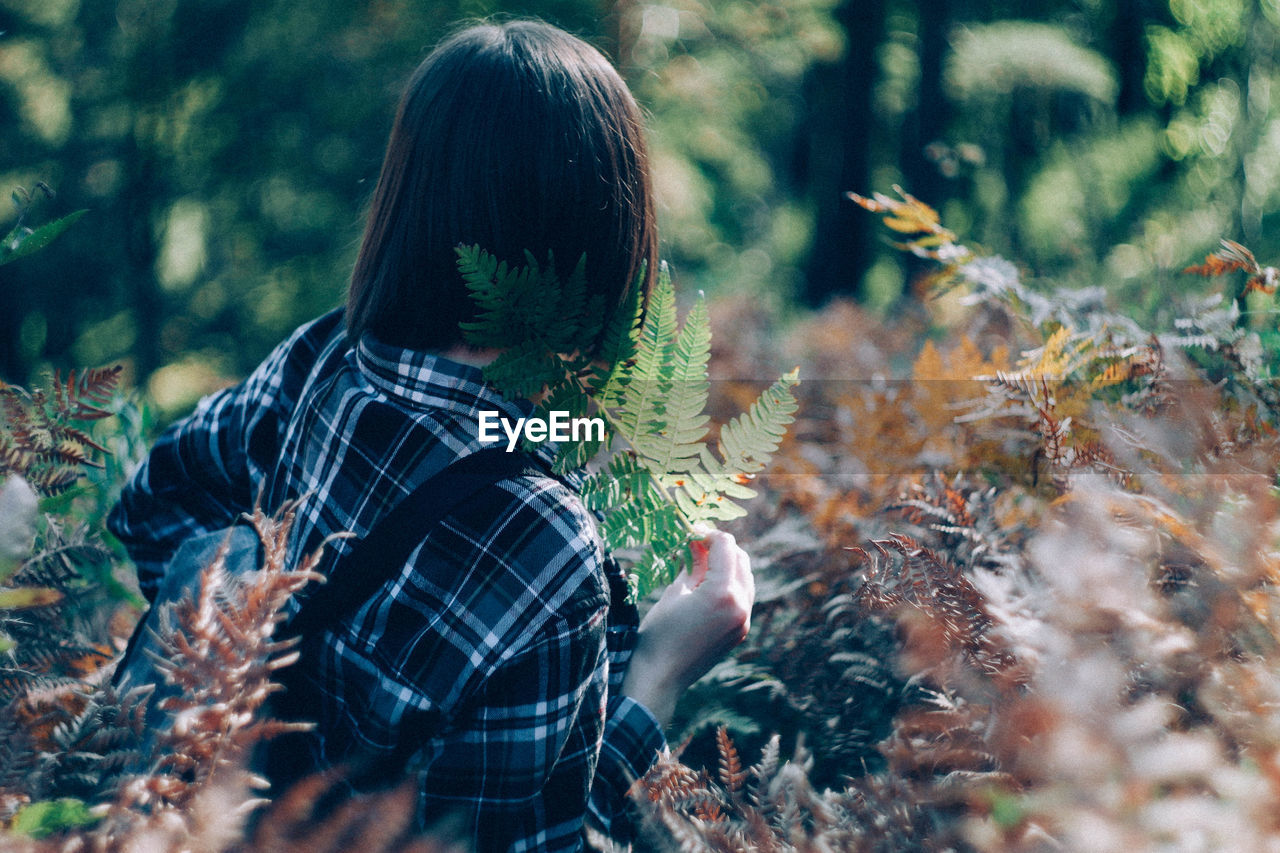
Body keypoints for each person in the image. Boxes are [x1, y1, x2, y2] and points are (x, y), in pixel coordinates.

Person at [107, 19, 754, 852]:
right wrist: (658, 674)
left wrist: (232, 680)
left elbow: (156, 500)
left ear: (409, 198)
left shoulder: (321, 363)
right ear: (606, 238)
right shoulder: (547, 547)